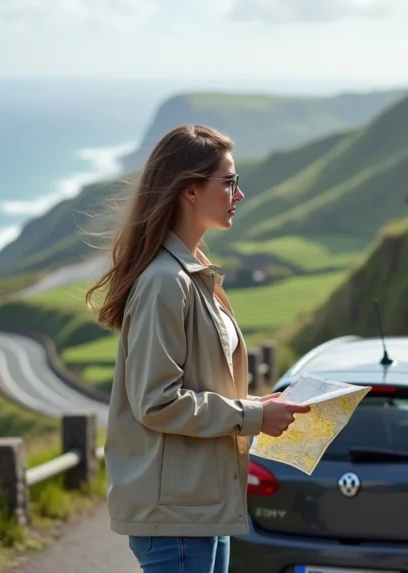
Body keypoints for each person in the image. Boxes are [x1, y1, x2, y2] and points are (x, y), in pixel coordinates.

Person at [85, 124, 311, 572]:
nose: (238, 195)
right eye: (228, 183)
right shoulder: (166, 282)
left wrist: (254, 406)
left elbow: (197, 385)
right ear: (189, 191)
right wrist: (252, 416)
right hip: (178, 519)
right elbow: (157, 401)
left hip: (200, 507)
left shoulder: (190, 273)